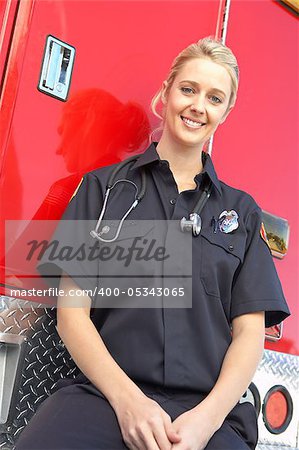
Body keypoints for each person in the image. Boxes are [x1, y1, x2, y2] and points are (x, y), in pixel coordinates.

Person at [15, 36, 290, 450]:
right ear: (166, 92)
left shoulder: (243, 213)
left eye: (215, 98)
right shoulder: (101, 190)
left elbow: (249, 335)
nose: (198, 106)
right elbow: (73, 314)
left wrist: (204, 422)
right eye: (188, 89)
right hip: (107, 396)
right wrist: (129, 403)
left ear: (225, 113)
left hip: (208, 410)